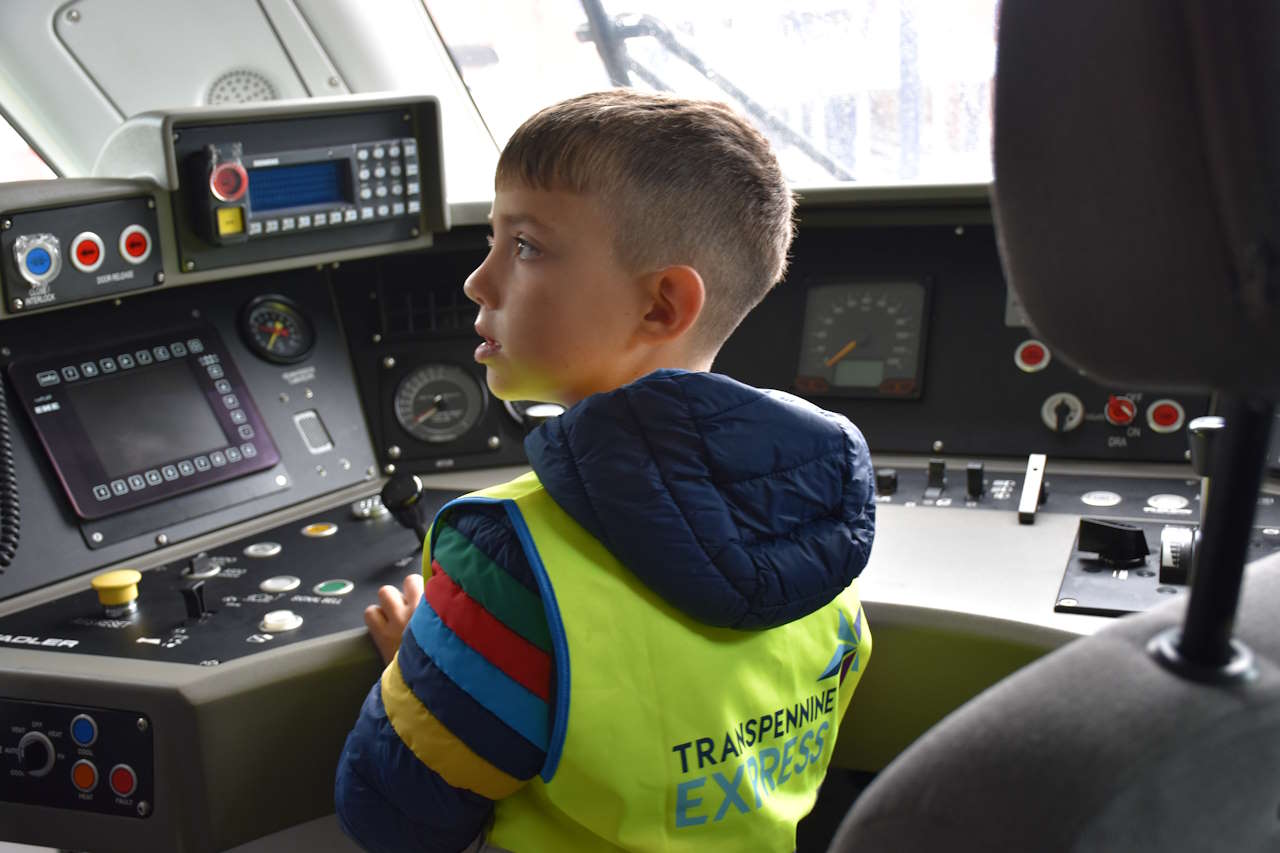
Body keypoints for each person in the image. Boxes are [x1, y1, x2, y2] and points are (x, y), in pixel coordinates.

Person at [334, 89, 876, 853]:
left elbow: (391, 815)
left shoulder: (509, 555)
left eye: (524, 247)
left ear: (661, 305)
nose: (478, 282)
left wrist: (421, 670)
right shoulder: (820, 515)